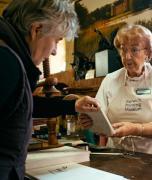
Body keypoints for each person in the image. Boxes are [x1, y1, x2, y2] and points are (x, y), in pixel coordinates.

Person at [0, 0, 99, 179]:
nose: (54, 51)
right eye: (57, 40)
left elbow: (20, 104)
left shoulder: (9, 56)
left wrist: (73, 105)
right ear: (36, 29)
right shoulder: (6, 61)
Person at [78, 24, 152, 155]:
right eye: (123, 50)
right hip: (114, 153)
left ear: (147, 52)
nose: (127, 56)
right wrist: (90, 120)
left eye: (134, 50)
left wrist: (136, 129)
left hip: (151, 156)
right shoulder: (110, 79)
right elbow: (99, 115)